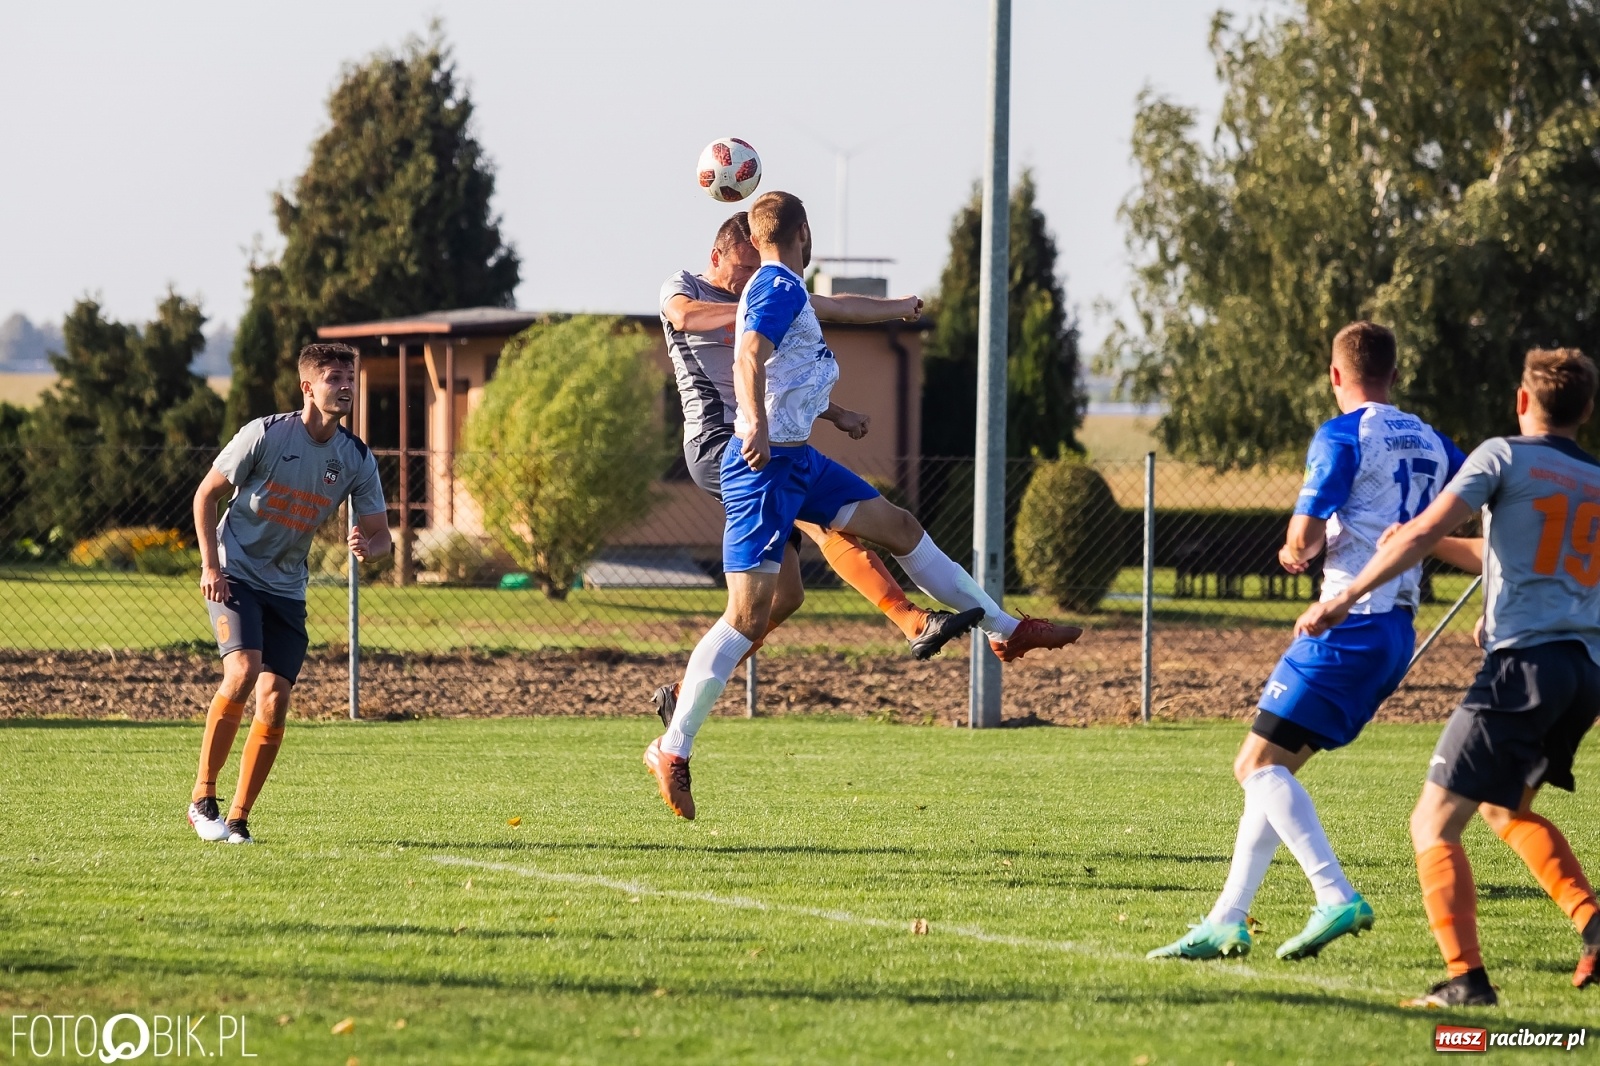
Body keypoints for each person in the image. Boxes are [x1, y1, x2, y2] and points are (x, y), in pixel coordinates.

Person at [644, 191, 1080, 819]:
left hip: (797, 456)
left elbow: (836, 307)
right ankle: (673, 746)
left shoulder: (782, 289)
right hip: (748, 457)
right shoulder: (747, 292)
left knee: (894, 529)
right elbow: (740, 351)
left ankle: (1006, 631)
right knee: (747, 613)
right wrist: (755, 422)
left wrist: (896, 308)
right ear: (802, 235)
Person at [1149, 322, 1465, 962]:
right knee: (1274, 771)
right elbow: (1459, 520)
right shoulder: (1435, 442)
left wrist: (1297, 552)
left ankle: (1333, 895)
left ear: (1335, 375)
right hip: (1398, 627)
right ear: (1394, 376)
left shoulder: (1343, 435)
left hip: (1348, 621)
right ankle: (1226, 919)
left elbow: (1303, 537)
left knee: (1254, 766)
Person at [1296, 347, 1600, 1007]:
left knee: (1432, 824)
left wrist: (1341, 599)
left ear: (1524, 402)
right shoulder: (1596, 481)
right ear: (1587, 411)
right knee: (1502, 807)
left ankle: (1466, 981)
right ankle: (1593, 922)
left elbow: (1425, 529)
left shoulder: (1504, 455)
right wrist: (1431, 544)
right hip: (1583, 674)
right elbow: (1507, 552)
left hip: (1524, 668)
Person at [656, 214, 981, 703]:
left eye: (755, 269)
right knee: (826, 524)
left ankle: (685, 691)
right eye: (741, 268)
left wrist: (897, 309)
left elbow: (833, 307)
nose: (749, 279)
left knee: (786, 598)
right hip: (719, 442)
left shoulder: (770, 294)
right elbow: (683, 317)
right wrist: (753, 313)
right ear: (715, 257)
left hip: (764, 438)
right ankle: (913, 621)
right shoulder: (685, 285)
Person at [185, 343, 390, 845]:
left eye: (350, 377)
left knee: (275, 701)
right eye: (333, 378)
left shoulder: (356, 457)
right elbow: (205, 495)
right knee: (243, 670)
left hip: (287, 588)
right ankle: (202, 798)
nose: (345, 386)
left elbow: (382, 535)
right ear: (308, 386)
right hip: (234, 574)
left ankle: (237, 819)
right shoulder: (265, 434)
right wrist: (210, 564)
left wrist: (371, 546)